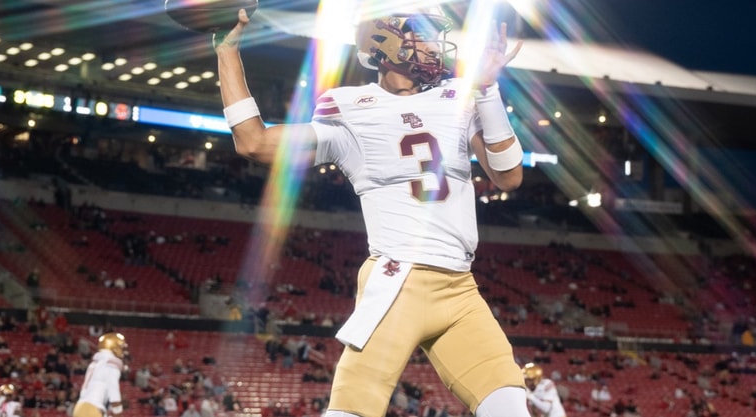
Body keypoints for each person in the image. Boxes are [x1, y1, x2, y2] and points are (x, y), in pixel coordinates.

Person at [213, 6, 527, 417]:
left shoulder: (458, 95)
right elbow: (254, 143)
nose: (436, 44)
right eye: (424, 33)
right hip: (401, 282)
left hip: (461, 288)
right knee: (353, 410)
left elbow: (508, 178)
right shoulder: (350, 108)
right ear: (383, 39)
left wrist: (487, 89)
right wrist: (227, 51)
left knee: (509, 408)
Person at [72, 333, 128, 417]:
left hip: (80, 407)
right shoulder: (111, 364)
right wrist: (118, 412)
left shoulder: (96, 363)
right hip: (92, 409)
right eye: (121, 347)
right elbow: (114, 393)